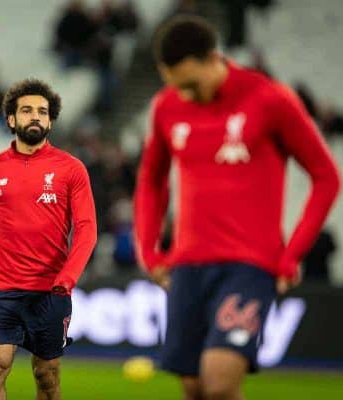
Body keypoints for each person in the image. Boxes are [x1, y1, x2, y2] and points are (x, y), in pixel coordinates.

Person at [133, 16, 340, 400]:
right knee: (194, 388)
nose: (187, 96)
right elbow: (150, 181)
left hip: (249, 265)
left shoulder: (270, 99)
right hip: (188, 265)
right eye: (178, 87)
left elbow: (326, 177)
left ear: (214, 59)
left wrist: (291, 255)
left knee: (220, 384)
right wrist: (149, 249)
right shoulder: (167, 106)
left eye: (192, 84)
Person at [0, 79, 97, 400]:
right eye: (27, 110)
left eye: (42, 112)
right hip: (1, 289)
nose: (35, 116)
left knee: (46, 375)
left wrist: (68, 277)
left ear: (50, 120)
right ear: (11, 119)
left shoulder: (71, 169)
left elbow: (88, 230)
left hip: (50, 291)